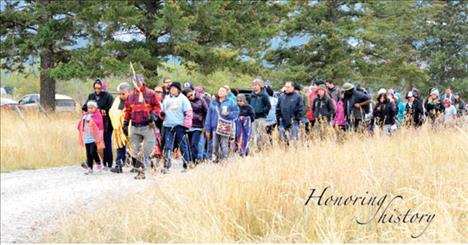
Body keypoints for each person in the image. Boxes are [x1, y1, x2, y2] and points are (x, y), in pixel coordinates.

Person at [123, 75, 161, 179]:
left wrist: (154, 114)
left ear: (143, 81)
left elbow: (157, 107)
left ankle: (152, 165)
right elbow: (127, 110)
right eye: (135, 81)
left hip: (147, 126)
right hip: (135, 126)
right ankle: (140, 171)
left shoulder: (150, 93)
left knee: (147, 149)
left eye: (139, 81)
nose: (137, 83)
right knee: (135, 150)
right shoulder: (130, 96)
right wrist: (125, 122)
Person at [161, 82, 194, 173]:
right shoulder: (167, 98)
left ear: (178, 89)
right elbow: (163, 109)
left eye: (174, 88)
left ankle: (186, 164)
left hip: (179, 125)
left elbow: (188, 112)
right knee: (168, 146)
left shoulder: (183, 99)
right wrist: (161, 114)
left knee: (183, 145)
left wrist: (187, 124)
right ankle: (166, 166)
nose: (172, 90)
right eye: (171, 88)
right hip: (168, 125)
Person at [82, 79, 115, 170]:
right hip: (94, 124)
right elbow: (85, 107)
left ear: (103, 87)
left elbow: (112, 108)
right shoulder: (91, 96)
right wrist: (91, 110)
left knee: (106, 143)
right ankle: (92, 163)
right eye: (95, 88)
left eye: (99, 88)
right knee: (92, 143)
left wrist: (104, 110)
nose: (97, 90)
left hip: (106, 123)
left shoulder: (108, 96)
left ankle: (108, 163)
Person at [205, 87, 240, 163]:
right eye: (219, 90)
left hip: (225, 126)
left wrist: (228, 114)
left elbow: (236, 112)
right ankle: (217, 158)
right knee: (215, 145)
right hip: (214, 127)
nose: (220, 92)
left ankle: (224, 160)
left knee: (224, 144)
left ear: (226, 93)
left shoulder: (230, 102)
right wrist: (207, 129)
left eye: (222, 91)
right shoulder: (213, 103)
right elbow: (208, 116)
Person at [77, 101, 104, 175]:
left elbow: (99, 124)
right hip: (87, 136)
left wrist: (92, 122)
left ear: (95, 108)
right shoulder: (86, 114)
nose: (90, 109)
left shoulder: (97, 114)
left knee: (93, 151)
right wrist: (80, 125)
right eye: (89, 108)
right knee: (88, 153)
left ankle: (99, 163)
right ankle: (90, 168)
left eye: (92, 108)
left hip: (94, 137)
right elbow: (82, 122)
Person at [182, 87, 208, 165]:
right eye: (188, 96)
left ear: (194, 92)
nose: (191, 97)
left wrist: (205, 126)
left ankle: (195, 160)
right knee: (189, 145)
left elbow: (206, 112)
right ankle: (190, 161)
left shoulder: (201, 100)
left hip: (198, 126)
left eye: (191, 95)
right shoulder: (185, 102)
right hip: (188, 125)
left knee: (194, 143)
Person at [109, 82, 130, 173]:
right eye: (120, 94)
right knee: (120, 146)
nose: (121, 96)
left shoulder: (132, 100)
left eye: (123, 94)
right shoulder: (117, 101)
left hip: (130, 126)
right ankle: (119, 165)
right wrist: (120, 114)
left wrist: (123, 113)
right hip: (119, 128)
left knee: (134, 146)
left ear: (128, 92)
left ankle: (136, 165)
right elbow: (112, 111)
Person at [276, 81, 304, 146]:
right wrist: (279, 118)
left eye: (288, 87)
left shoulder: (297, 97)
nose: (286, 88)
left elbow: (301, 109)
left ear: (293, 88)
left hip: (293, 121)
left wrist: (297, 118)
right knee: (282, 139)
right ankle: (285, 152)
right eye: (286, 87)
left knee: (294, 140)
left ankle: (293, 153)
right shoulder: (281, 97)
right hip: (283, 121)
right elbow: (278, 109)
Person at [248, 78, 271, 151]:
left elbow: (268, 106)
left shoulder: (264, 95)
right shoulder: (250, 96)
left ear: (260, 86)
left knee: (261, 134)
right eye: (253, 85)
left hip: (261, 118)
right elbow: (248, 106)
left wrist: (263, 112)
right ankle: (250, 150)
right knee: (251, 135)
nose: (254, 86)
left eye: (256, 85)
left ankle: (261, 149)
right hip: (253, 118)